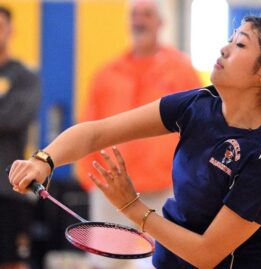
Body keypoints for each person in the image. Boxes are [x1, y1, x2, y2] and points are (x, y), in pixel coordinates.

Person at [8, 0, 261, 268]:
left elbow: (206, 254)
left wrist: (132, 208)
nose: (225, 49)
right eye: (231, 40)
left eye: (240, 45)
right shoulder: (197, 104)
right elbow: (97, 132)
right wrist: (44, 159)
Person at [76, 0, 200, 267]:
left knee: (156, 264)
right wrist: (90, 178)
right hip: (110, 188)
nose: (139, 20)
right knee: (106, 263)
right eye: (134, 14)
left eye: (147, 14)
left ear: (161, 22)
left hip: (162, 192)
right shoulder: (107, 73)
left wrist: (188, 181)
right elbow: (87, 125)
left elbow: (199, 129)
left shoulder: (182, 71)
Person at [0, 6, 41, 269]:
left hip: (8, 187)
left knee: (12, 261)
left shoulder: (25, 77)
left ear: (10, 31)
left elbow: (12, 119)